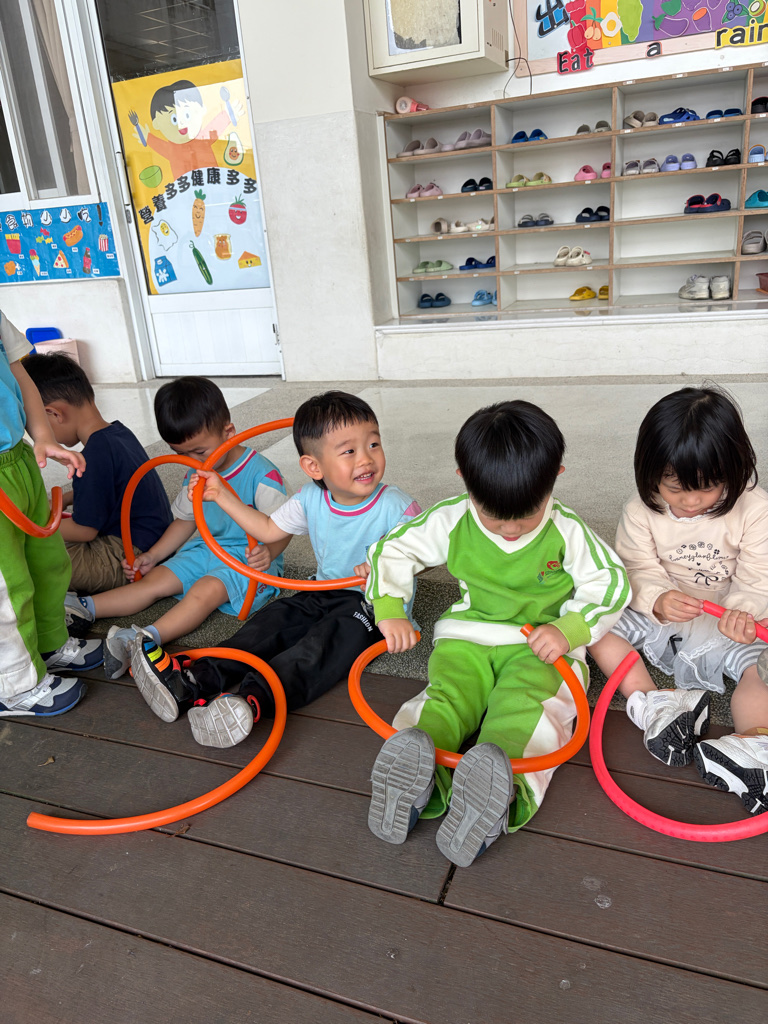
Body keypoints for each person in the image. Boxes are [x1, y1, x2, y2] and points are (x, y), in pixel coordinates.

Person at [364, 400, 630, 868]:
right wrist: (389, 609)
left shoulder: (568, 531)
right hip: (467, 637)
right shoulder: (451, 518)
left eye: (526, 515)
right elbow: (393, 550)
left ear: (555, 479)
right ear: (464, 480)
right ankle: (413, 779)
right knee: (448, 695)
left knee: (525, 708)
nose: (510, 530)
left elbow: (611, 582)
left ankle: (505, 791)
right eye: (493, 516)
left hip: (541, 647)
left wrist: (568, 630)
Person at [128, 391, 422, 749]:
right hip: (322, 591)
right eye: (349, 451)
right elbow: (268, 529)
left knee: (322, 645)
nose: (366, 458)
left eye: (374, 444)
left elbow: (428, 555)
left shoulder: (397, 506)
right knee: (273, 621)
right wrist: (221, 495)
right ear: (314, 467)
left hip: (373, 606)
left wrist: (386, 563)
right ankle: (194, 681)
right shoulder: (310, 498)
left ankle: (250, 702)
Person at [588, 386, 768, 816]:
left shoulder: (754, 509)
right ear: (650, 473)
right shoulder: (640, 511)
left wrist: (744, 611)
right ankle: (656, 703)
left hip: (731, 621)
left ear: (735, 468)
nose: (689, 502)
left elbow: (759, 575)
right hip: (664, 616)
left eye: (707, 489)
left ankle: (756, 745)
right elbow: (633, 569)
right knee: (594, 625)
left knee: (759, 668)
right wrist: (656, 598)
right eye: (674, 487)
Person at [64, 376, 288, 680]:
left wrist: (269, 552)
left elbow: (281, 527)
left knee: (205, 589)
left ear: (229, 432)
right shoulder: (195, 475)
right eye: (182, 454)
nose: (193, 461)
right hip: (207, 547)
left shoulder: (262, 475)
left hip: (251, 560)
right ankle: (82, 607)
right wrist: (153, 555)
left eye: (200, 451)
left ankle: (145, 638)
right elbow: (185, 520)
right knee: (156, 579)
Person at [0, 312, 103, 719]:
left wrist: (42, 436)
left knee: (47, 563)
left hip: (18, 461)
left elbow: (19, 372)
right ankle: (15, 685)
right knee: (8, 588)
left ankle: (49, 642)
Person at [23, 352, 172, 593]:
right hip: (155, 539)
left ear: (54, 414)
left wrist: (33, 524)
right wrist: (66, 498)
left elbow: (85, 531)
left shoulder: (92, 457)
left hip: (129, 555)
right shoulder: (117, 433)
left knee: (39, 558)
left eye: (36, 429)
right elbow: (110, 487)